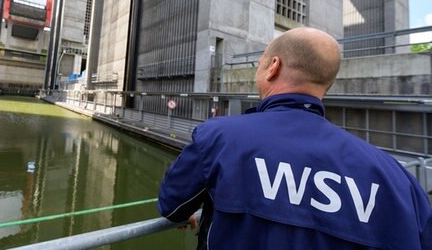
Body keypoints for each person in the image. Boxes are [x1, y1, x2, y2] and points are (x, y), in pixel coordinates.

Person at [157, 27, 432, 249]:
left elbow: (173, 205)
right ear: (327, 83)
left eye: (260, 62)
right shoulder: (398, 183)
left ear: (272, 67)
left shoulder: (218, 137)